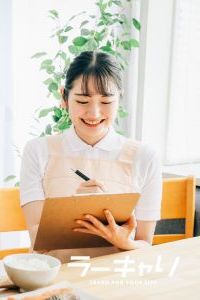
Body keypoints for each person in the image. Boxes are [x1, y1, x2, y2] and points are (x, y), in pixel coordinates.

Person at [19, 51, 162, 263]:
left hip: (116, 280)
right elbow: (38, 242)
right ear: (64, 98)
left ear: (119, 99)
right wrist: (76, 207)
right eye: (83, 100)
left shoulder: (145, 157)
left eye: (106, 101)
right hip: (55, 277)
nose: (94, 113)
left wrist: (123, 241)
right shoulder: (38, 151)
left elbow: (145, 244)